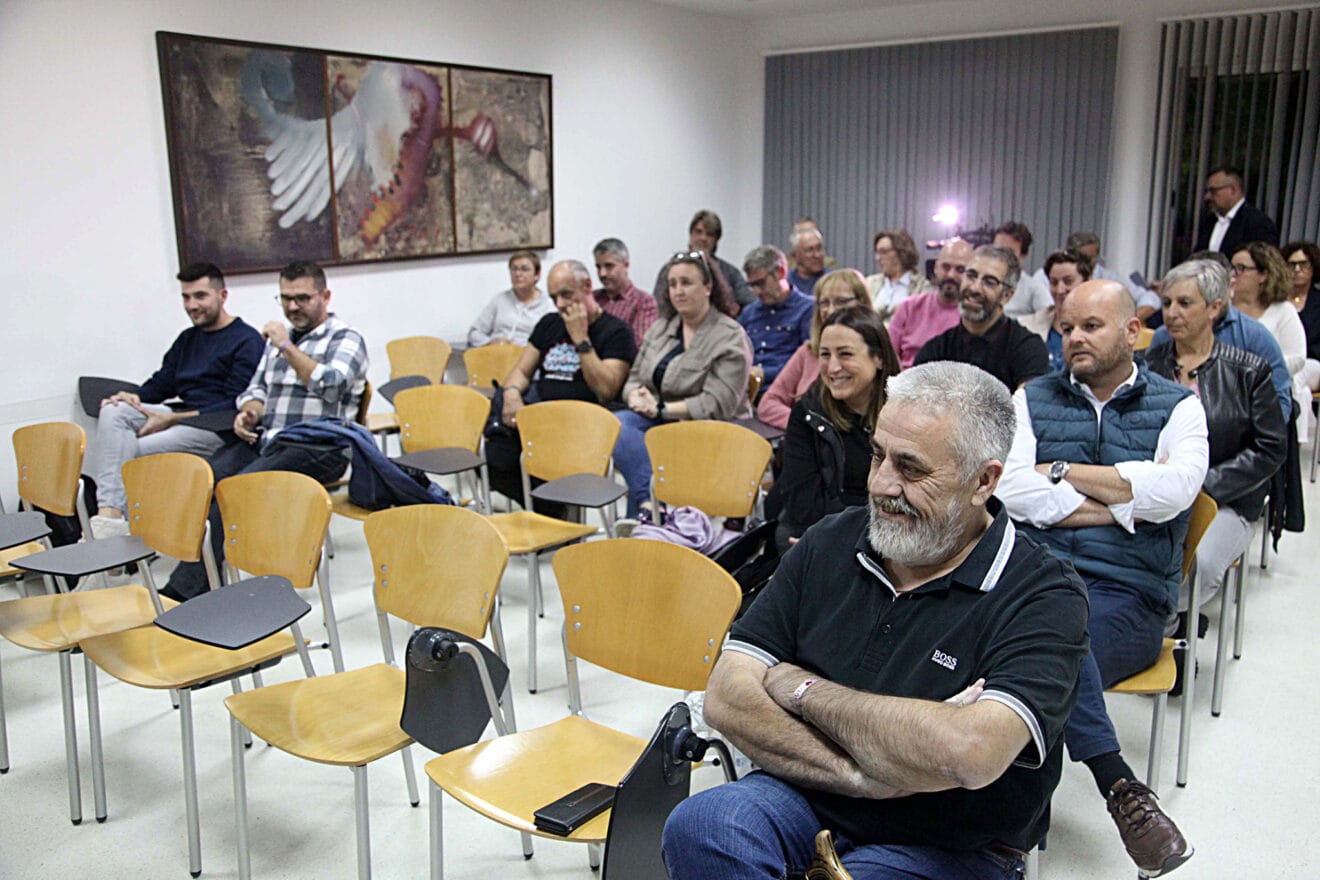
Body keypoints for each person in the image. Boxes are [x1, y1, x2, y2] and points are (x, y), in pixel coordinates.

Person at [662, 361, 1090, 880]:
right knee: (702, 826)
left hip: (950, 843)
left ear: (984, 480)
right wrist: (863, 774)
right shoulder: (831, 540)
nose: (881, 484)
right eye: (878, 455)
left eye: (911, 469)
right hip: (803, 796)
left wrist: (801, 689)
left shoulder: (1042, 592)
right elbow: (728, 695)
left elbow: (970, 751)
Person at [997, 279, 1206, 876]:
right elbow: (1012, 489)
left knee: (1051, 655)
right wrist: (1123, 501)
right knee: (1042, 643)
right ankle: (1123, 790)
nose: (1075, 339)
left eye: (1091, 325)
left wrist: (1060, 471)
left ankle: (1013, 836)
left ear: (1132, 331)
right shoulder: (1031, 397)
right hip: (1036, 585)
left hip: (1130, 597)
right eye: (1066, 328)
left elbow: (1174, 493)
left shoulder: (1178, 407)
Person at [163, 260, 368, 601]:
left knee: (235, 491)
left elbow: (331, 386)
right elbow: (255, 388)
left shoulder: (345, 338)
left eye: (302, 298)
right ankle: (206, 583)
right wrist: (250, 411)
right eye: (285, 298)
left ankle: (183, 593)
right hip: (271, 439)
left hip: (319, 447)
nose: (292, 307)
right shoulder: (278, 341)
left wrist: (288, 348)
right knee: (205, 479)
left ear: (325, 296)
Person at [1146, 259, 1286, 610]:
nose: (1172, 313)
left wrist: (1204, 483)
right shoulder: (1148, 365)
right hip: (1154, 493)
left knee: (1201, 563)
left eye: (1185, 303)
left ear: (1214, 308)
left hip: (1225, 498)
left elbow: (1270, 448)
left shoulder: (1248, 371)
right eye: (1166, 304)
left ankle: (1174, 628)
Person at [88, 262, 264, 539]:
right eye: (186, 297)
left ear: (222, 295)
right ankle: (109, 517)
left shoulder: (247, 340)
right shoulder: (187, 339)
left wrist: (172, 418)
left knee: (132, 451)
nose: (192, 305)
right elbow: (163, 383)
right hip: (182, 416)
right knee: (115, 410)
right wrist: (134, 397)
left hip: (217, 429)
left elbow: (236, 405)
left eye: (200, 296)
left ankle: (113, 539)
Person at [491, 260, 635, 515]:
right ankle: (550, 511)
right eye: (554, 297)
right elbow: (522, 371)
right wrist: (512, 393)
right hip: (542, 421)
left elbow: (606, 390)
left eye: (566, 295)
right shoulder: (549, 323)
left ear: (587, 286)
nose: (560, 305)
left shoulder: (616, 331)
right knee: (492, 454)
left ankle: (556, 514)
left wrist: (580, 338)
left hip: (583, 427)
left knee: (538, 458)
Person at [615, 251, 750, 519]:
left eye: (686, 283)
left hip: (707, 430)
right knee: (617, 423)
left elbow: (716, 404)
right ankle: (650, 505)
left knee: (643, 457)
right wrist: (634, 397)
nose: (678, 291)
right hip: (660, 424)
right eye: (673, 284)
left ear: (708, 287)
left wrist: (661, 409)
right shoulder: (661, 328)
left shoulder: (730, 336)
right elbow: (633, 377)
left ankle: (647, 514)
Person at [767, 306, 899, 553]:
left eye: (846, 354)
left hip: (887, 540)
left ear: (879, 358)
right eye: (825, 355)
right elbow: (803, 502)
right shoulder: (809, 412)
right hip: (817, 534)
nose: (833, 367)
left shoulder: (906, 413)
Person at [914, 244, 1050, 391]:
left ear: (1007, 295)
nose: (974, 288)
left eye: (989, 282)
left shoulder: (1028, 349)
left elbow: (1026, 409)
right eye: (971, 276)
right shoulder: (936, 350)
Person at [757, 270, 874, 430]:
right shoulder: (807, 351)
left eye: (840, 301)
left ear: (862, 302)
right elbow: (768, 403)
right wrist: (807, 426)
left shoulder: (876, 349)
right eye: (824, 303)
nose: (831, 310)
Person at [1229, 242, 1307, 424]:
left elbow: (1298, 358)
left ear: (1263, 275)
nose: (1233, 274)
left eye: (1241, 268)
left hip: (1268, 393)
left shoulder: (1283, 310)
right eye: (1231, 267)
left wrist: (1251, 370)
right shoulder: (1222, 307)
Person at [888, 237, 972, 369]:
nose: (951, 275)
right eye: (946, 267)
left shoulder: (974, 317)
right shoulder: (908, 308)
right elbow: (889, 354)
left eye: (960, 270)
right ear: (936, 267)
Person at [739, 245, 815, 390]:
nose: (756, 291)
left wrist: (763, 373)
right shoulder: (749, 313)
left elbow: (808, 363)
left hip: (787, 391)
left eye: (761, 283)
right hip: (748, 391)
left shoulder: (808, 309)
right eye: (752, 285)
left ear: (780, 272)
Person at [653, 209, 753, 314]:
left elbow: (750, 302)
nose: (703, 238)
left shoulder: (730, 273)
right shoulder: (670, 270)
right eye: (698, 232)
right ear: (691, 234)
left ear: (716, 240)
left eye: (709, 234)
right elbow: (658, 306)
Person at [1022, 249, 1094, 372]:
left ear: (1087, 282)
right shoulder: (1027, 326)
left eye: (1068, 281)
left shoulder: (1101, 328)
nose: (1060, 290)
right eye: (1054, 282)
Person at [466, 250, 556, 347]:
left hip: (528, 357)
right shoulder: (500, 300)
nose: (518, 274)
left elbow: (551, 341)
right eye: (514, 269)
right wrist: (490, 343)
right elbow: (474, 333)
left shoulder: (548, 305)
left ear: (537, 275)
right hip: (497, 355)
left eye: (524, 269)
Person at [1193, 165, 1279, 255]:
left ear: (1233, 190)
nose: (1207, 197)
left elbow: (1263, 260)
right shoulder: (1210, 220)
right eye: (1207, 191)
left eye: (1213, 191)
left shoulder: (1258, 223)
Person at [591, 237, 657, 348]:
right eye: (598, 267)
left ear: (626, 265)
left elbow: (636, 346)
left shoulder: (644, 302)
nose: (602, 274)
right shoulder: (592, 298)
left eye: (609, 266)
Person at [865, 228, 930, 320]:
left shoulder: (922, 287)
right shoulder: (869, 283)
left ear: (901, 252)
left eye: (883, 252)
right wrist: (891, 310)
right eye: (877, 252)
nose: (878, 258)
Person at [1283, 240, 1320, 394]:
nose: (1297, 269)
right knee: (1303, 393)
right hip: (1282, 360)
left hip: (1313, 362)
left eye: (1304, 264)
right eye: (1292, 265)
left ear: (1313, 268)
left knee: (1297, 376)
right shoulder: (1277, 301)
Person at [994, 221, 1052, 317]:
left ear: (1023, 255)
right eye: (997, 250)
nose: (1001, 256)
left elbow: (1049, 321)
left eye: (1009, 252)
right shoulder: (980, 282)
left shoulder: (1034, 290)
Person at [787, 225, 827, 297]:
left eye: (819, 248)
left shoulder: (831, 280)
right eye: (809, 250)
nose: (817, 255)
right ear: (794, 256)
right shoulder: (787, 283)